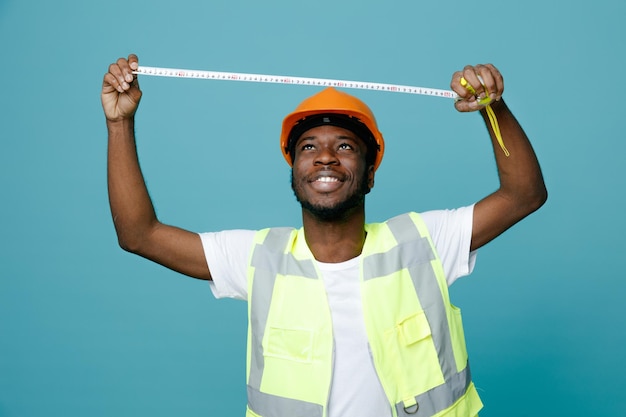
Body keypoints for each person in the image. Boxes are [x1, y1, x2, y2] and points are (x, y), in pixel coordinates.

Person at [102, 54, 547, 417]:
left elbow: (524, 194)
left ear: (370, 175)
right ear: (294, 172)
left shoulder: (423, 243)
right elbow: (139, 234)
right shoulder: (257, 258)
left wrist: (492, 108)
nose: (326, 158)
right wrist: (120, 123)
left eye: (346, 146)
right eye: (309, 147)